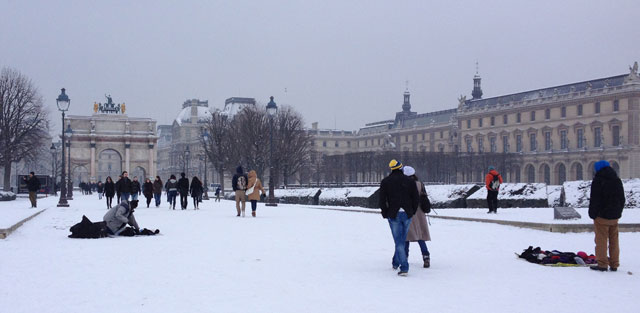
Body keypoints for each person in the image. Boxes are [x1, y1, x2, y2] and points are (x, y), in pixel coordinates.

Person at [379, 159, 419, 276]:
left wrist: (385, 212)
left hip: (394, 214)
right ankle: (396, 262)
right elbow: (415, 198)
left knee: (399, 241)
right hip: (407, 213)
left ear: (391, 169)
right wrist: (412, 211)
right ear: (401, 168)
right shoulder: (409, 181)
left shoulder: (386, 181)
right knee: (402, 239)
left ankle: (404, 267)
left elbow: (382, 200)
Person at [589, 160, 625, 272]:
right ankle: (614, 263)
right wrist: (618, 211)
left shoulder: (598, 181)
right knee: (614, 240)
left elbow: (595, 200)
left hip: (602, 216)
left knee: (601, 240)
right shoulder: (617, 180)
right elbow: (622, 198)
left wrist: (593, 214)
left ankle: (602, 264)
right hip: (614, 216)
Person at [403, 166, 432, 268]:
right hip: (420, 212)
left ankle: (404, 257)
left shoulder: (404, 185)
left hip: (409, 211)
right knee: (420, 236)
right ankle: (425, 256)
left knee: (406, 237)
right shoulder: (420, 184)